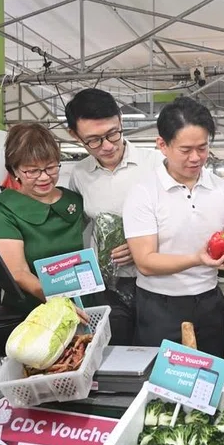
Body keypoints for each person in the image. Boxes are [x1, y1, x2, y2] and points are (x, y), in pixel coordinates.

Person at [123, 97, 224, 357]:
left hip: (209, 302)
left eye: (202, 148)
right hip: (159, 306)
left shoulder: (222, 190)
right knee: (159, 375)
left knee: (209, 371)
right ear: (162, 145)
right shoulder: (143, 192)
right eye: (186, 150)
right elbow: (145, 262)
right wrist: (196, 259)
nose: (196, 158)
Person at [66, 88, 163, 345]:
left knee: (154, 350)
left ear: (120, 119)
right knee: (114, 351)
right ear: (74, 135)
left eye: (113, 133)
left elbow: (182, 219)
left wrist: (143, 247)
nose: (108, 146)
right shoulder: (80, 174)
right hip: (107, 287)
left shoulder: (156, 164)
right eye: (94, 140)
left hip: (155, 283)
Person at [0, 124, 86, 312]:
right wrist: (60, 304)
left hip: (83, 301)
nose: (44, 177)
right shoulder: (4, 209)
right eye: (32, 171)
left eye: (50, 168)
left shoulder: (74, 200)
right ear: (14, 170)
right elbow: (18, 272)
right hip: (33, 309)